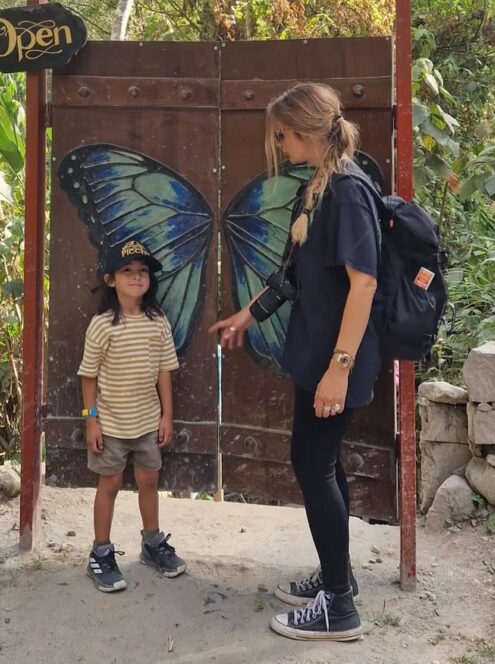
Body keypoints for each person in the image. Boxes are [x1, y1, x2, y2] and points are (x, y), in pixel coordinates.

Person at [210, 82, 381, 642]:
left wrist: (339, 369)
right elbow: (292, 275)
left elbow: (364, 285)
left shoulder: (348, 191)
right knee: (321, 463)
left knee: (312, 464)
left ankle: (339, 609)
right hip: (316, 353)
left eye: (282, 134)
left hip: (336, 359)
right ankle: (339, 580)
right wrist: (246, 316)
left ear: (306, 129)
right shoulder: (318, 187)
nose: (279, 145)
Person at [78, 238, 187, 593]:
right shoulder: (102, 325)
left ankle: (152, 543)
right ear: (110, 280)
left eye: (143, 271)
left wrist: (167, 416)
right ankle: (100, 553)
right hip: (110, 426)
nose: (137, 277)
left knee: (149, 482)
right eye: (127, 271)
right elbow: (88, 376)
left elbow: (164, 372)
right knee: (109, 485)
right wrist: (91, 419)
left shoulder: (157, 322)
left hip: (146, 424)